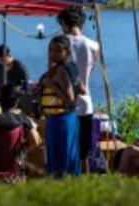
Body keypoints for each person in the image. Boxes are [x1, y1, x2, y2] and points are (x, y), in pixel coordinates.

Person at [56, 5, 99, 174]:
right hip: (86, 103)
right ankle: (84, 188)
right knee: (83, 154)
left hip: (63, 104)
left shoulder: (58, 45)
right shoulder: (94, 45)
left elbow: (52, 73)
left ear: (64, 23)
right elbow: (89, 72)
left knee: (65, 151)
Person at [39, 35, 81, 178]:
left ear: (67, 52)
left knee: (59, 158)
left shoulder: (62, 71)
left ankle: (60, 188)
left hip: (60, 119)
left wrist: (52, 86)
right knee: (69, 156)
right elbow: (82, 89)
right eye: (50, 50)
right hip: (68, 117)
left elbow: (70, 98)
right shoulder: (71, 68)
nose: (53, 54)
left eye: (58, 51)